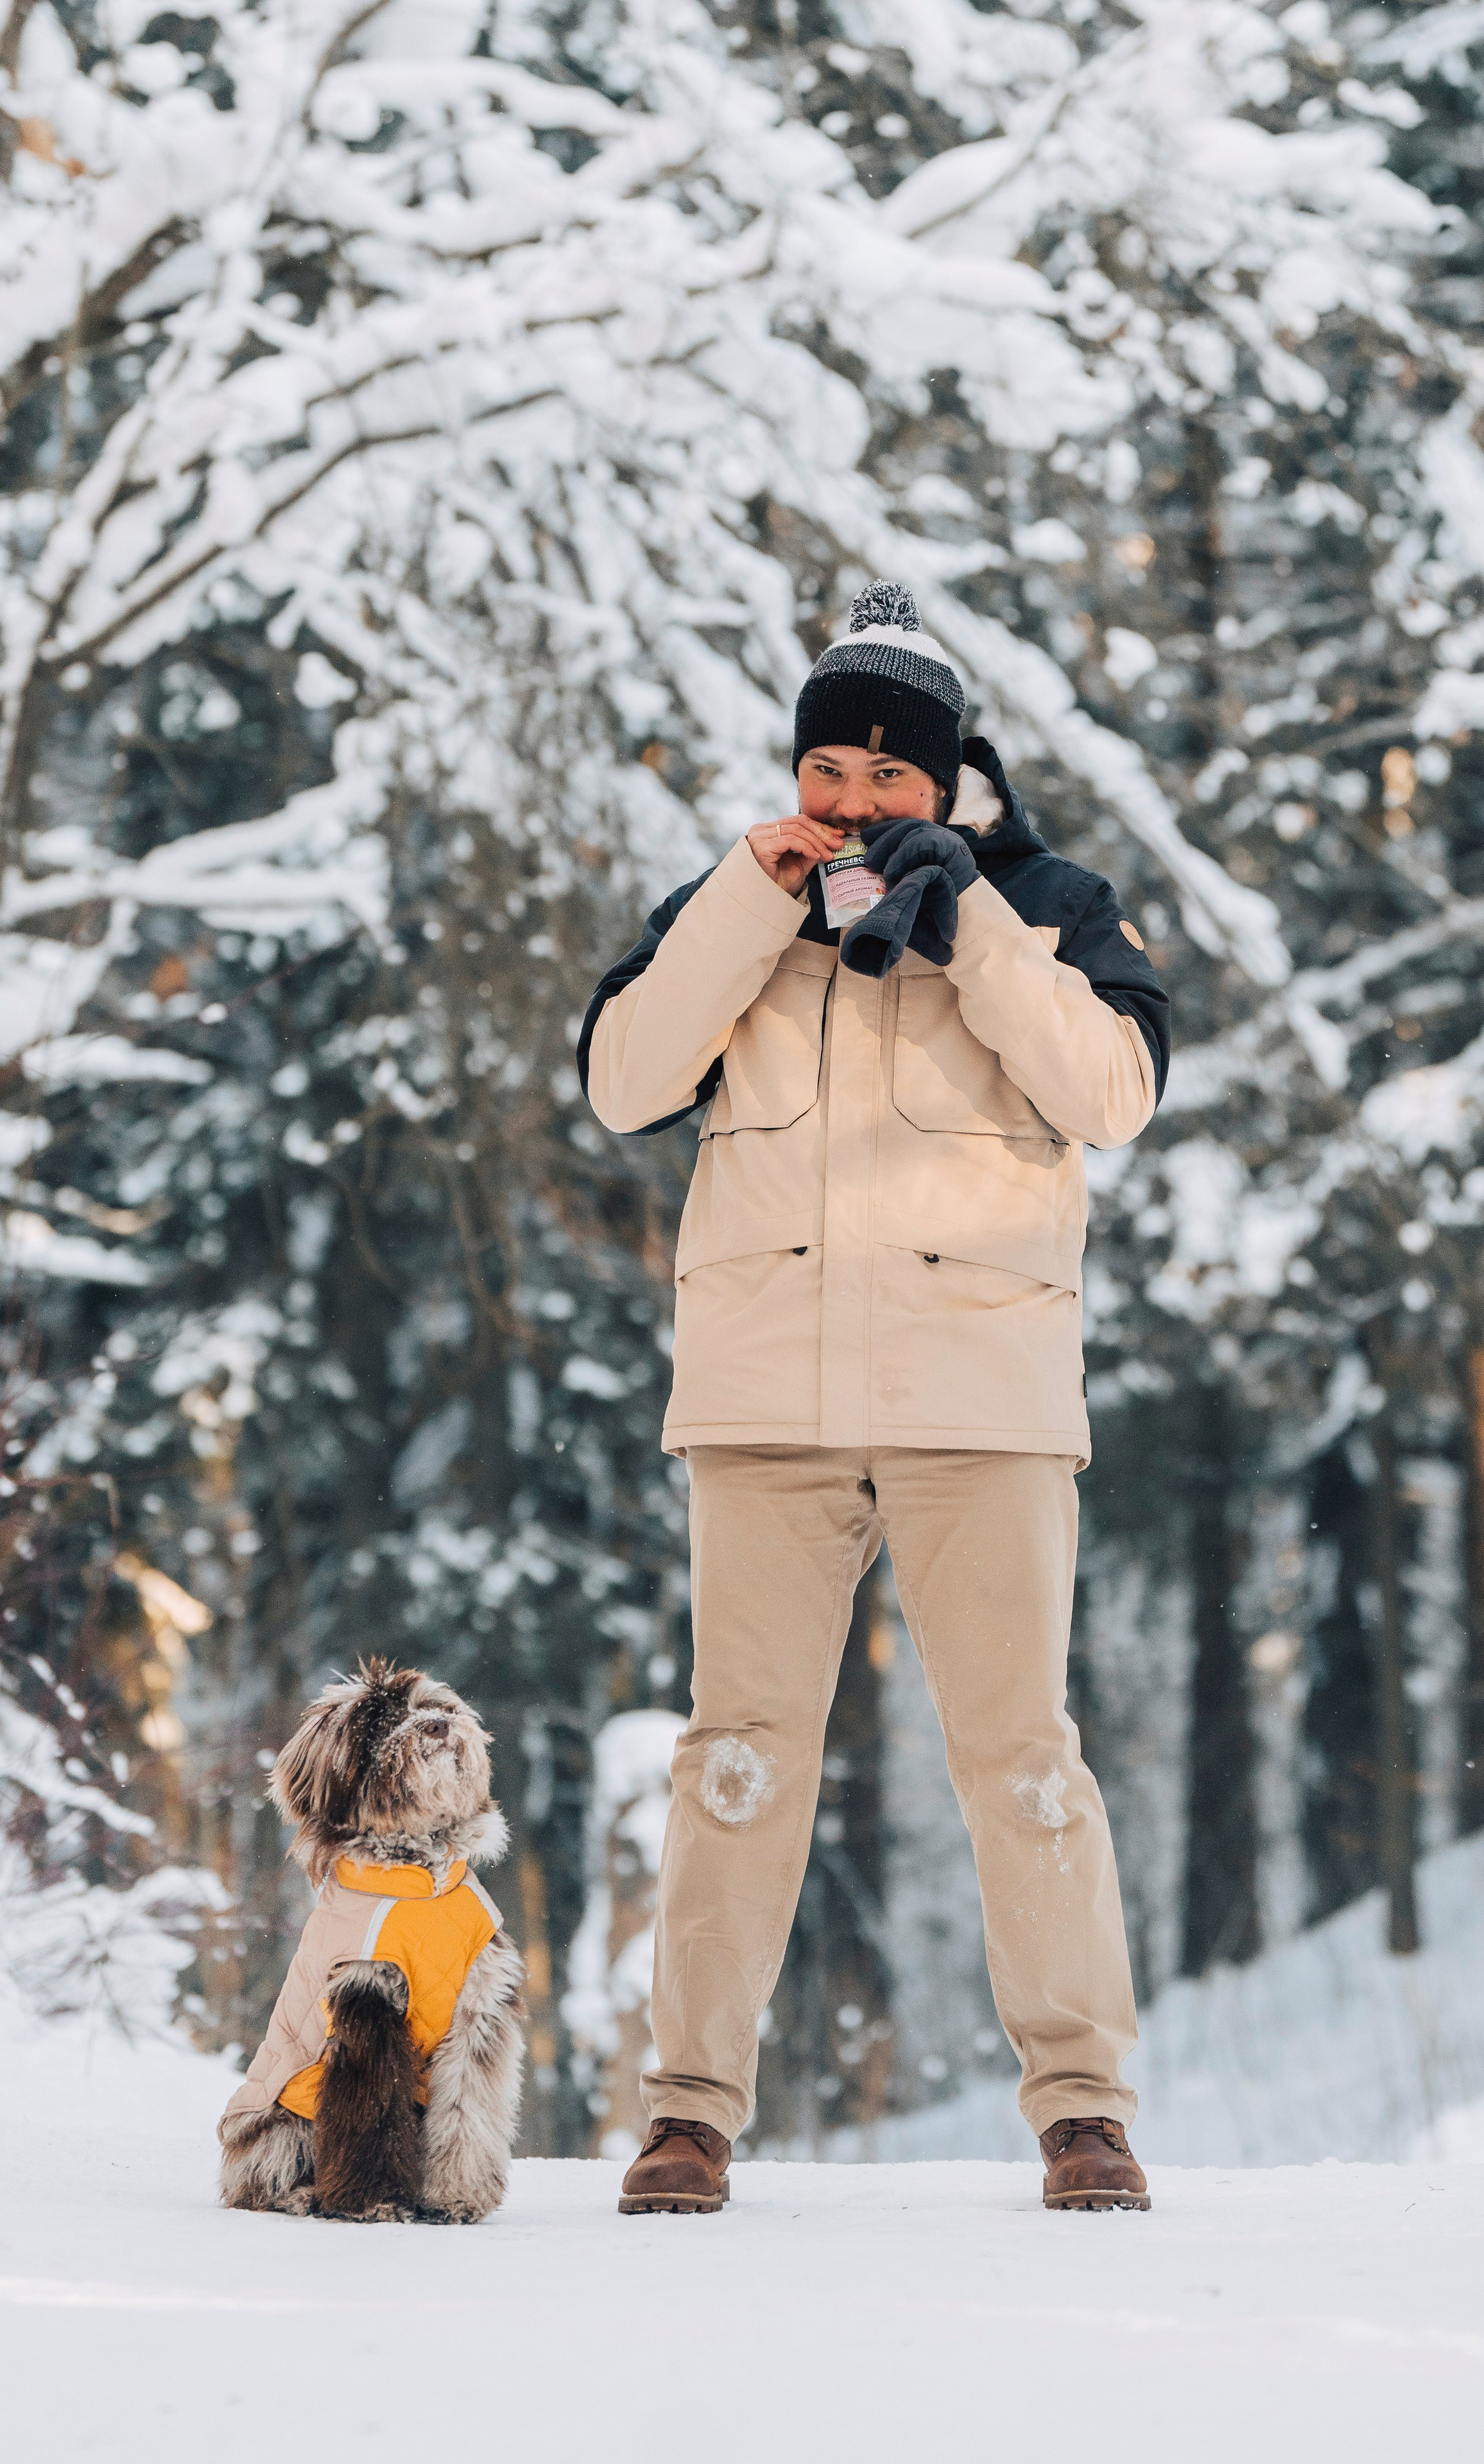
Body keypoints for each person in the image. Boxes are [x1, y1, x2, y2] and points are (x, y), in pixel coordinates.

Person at [576, 582, 1169, 2214]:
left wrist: (969, 917)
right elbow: (624, 1081)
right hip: (765, 1399)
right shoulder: (739, 906)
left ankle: (1081, 2110)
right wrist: (735, 906)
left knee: (1022, 1760)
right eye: (823, 767)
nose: (848, 800)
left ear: (945, 773)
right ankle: (686, 2112)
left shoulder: (1051, 898)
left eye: (881, 774)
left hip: (979, 1401)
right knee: (736, 1761)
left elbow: (1112, 1094)